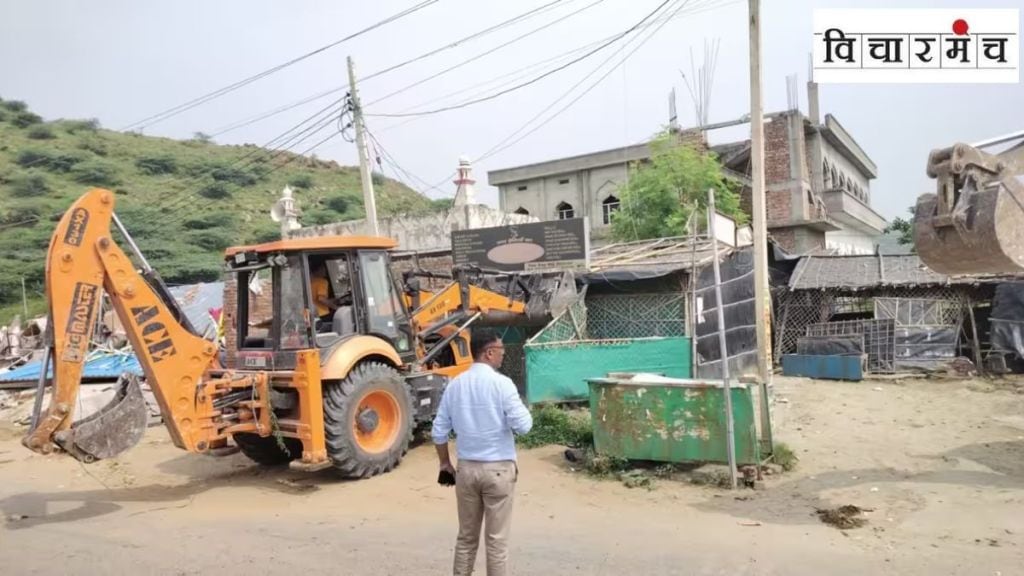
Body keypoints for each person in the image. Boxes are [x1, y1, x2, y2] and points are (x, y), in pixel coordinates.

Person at [432, 329, 533, 576]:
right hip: (498, 471)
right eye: (501, 351)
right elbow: (524, 426)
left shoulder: (455, 384)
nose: (502, 355)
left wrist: (445, 464)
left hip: (466, 471)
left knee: (466, 539)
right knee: (496, 543)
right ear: (489, 353)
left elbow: (438, 432)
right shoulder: (503, 385)